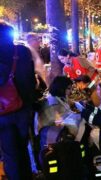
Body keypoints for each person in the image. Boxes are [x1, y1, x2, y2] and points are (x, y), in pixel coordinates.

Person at [0, 21, 37, 179]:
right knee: (23, 148)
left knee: (9, 153)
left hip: (2, 113)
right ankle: (27, 175)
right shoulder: (22, 51)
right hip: (23, 109)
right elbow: (31, 80)